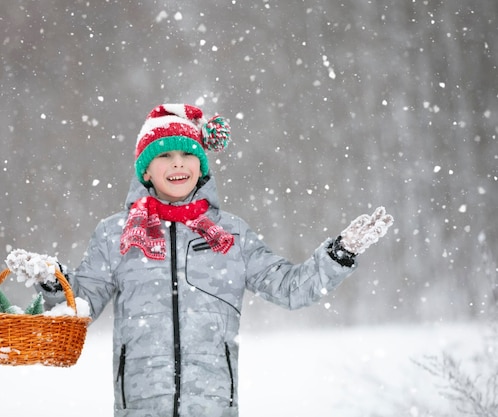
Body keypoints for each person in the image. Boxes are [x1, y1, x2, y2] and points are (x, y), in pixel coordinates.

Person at [34, 103, 394, 417]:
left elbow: (289, 289)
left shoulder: (231, 236)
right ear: (145, 170)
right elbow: (80, 306)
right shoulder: (117, 236)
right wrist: (55, 282)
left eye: (188, 155)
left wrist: (338, 255)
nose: (178, 164)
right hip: (140, 406)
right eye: (164, 156)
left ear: (201, 166)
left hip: (213, 406)